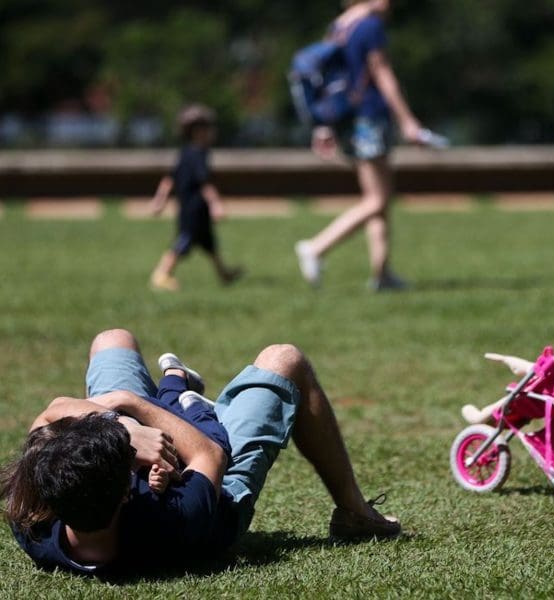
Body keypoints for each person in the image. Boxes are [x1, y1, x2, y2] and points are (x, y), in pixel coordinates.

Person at [0, 328, 400, 575]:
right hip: (216, 484)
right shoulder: (175, 521)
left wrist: (122, 427)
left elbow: (50, 413)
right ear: (126, 490)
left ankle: (169, 392)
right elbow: (208, 454)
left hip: (124, 466)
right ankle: (356, 514)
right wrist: (133, 407)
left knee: (112, 340)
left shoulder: (33, 515)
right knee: (285, 359)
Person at [294, 0, 427, 291]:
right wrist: (407, 121)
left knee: (377, 197)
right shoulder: (370, 26)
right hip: (369, 117)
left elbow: (324, 79)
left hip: (347, 119)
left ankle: (382, 274)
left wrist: (323, 126)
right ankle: (316, 247)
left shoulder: (340, 25)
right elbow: (381, 73)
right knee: (377, 200)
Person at [149, 104, 242, 292]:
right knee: (183, 242)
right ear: (198, 131)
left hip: (192, 208)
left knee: (209, 244)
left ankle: (223, 274)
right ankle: (161, 274)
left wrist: (160, 200)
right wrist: (216, 204)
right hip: (194, 209)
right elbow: (204, 183)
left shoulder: (186, 152)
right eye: (209, 129)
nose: (213, 132)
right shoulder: (199, 154)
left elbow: (169, 179)